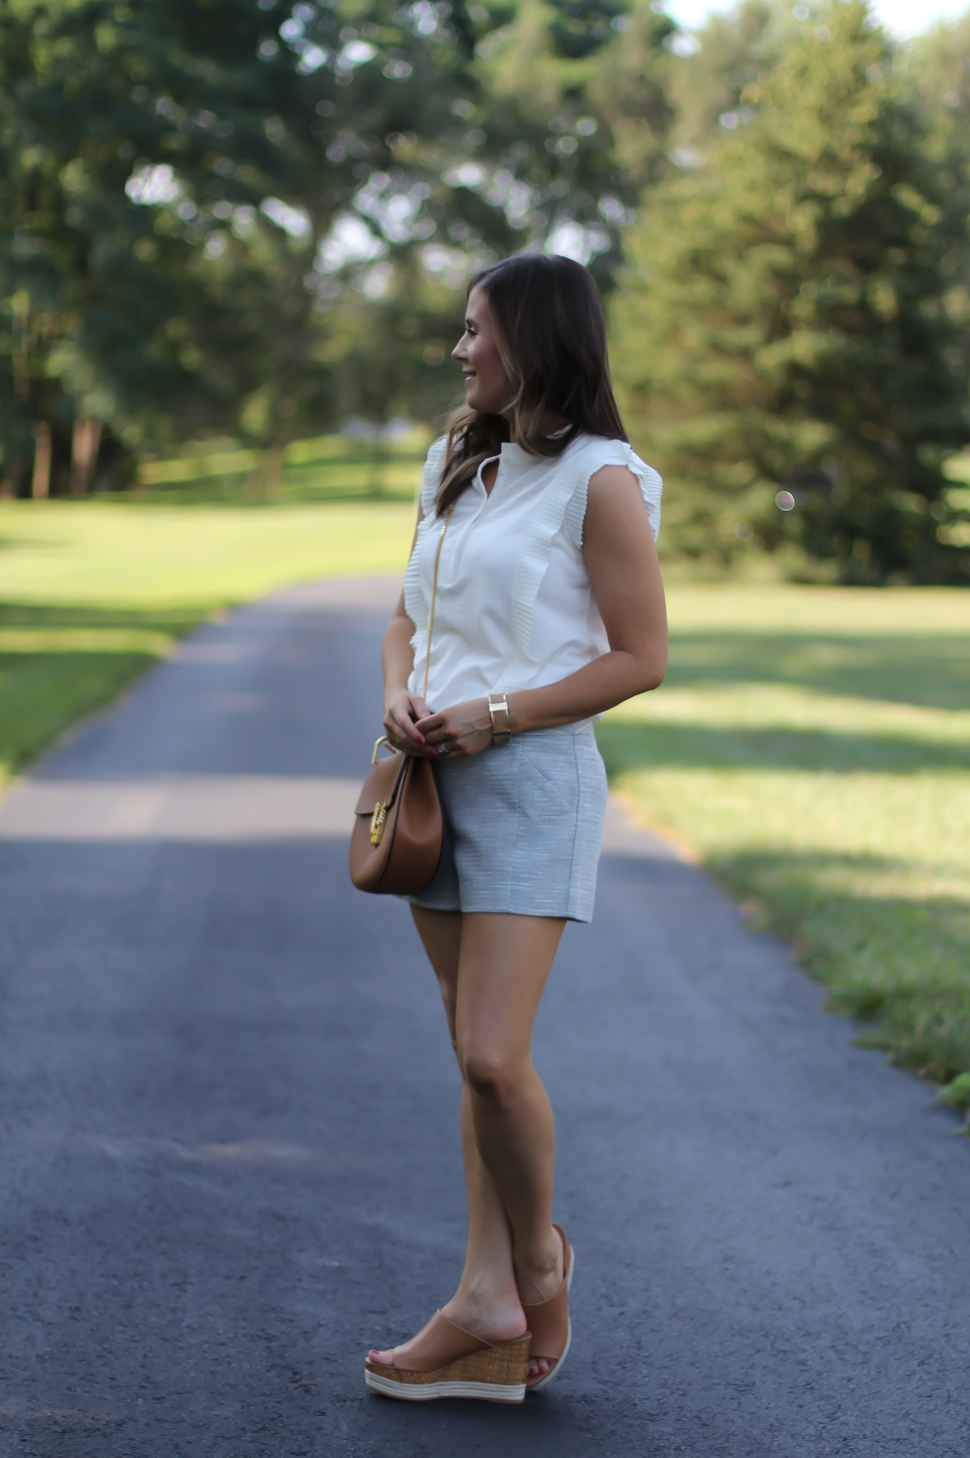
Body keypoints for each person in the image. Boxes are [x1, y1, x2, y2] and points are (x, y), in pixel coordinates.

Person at [363, 252, 667, 1404]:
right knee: (465, 1046)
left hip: (532, 777)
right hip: (432, 780)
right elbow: (404, 614)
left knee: (494, 1058)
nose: (459, 350)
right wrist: (397, 689)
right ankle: (482, 1302)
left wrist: (495, 712)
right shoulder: (455, 458)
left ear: (533, 339)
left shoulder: (603, 479)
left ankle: (536, 1262)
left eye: (476, 330)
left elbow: (641, 658)